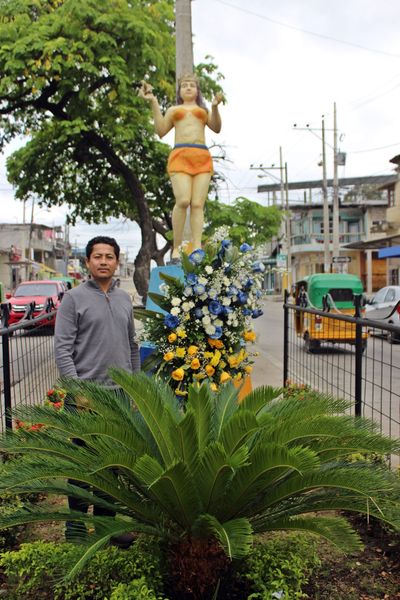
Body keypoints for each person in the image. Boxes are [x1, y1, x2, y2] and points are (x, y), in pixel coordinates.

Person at [54, 235, 140, 545]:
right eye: (97, 256)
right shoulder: (73, 299)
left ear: (117, 262)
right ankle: (76, 531)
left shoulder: (124, 299)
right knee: (81, 465)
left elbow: (132, 346)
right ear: (88, 262)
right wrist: (77, 391)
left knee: (112, 466)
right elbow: (63, 350)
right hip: (85, 396)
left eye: (109, 256)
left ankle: (107, 529)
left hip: (118, 395)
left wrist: (135, 388)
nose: (103, 261)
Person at [139, 74, 223, 261]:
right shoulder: (173, 110)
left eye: (192, 85)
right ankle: (177, 247)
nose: (188, 88)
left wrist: (215, 107)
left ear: (197, 90)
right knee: (183, 200)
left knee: (198, 204)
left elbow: (216, 127)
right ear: (179, 91)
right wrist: (153, 102)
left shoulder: (203, 111)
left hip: (201, 156)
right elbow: (161, 130)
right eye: (184, 85)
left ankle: (197, 245)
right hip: (180, 156)